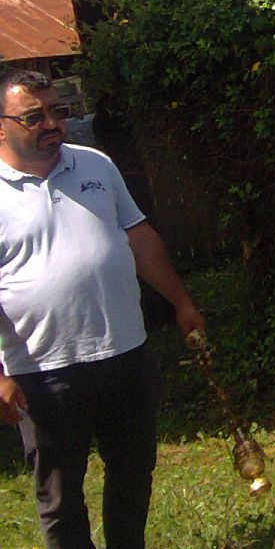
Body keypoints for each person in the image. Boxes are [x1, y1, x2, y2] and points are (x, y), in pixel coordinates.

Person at [0, 68, 205, 548]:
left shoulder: (95, 165)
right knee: (60, 493)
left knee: (133, 471)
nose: (52, 124)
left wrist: (182, 302)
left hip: (123, 352)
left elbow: (139, 237)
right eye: (34, 116)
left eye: (58, 112)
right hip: (41, 370)